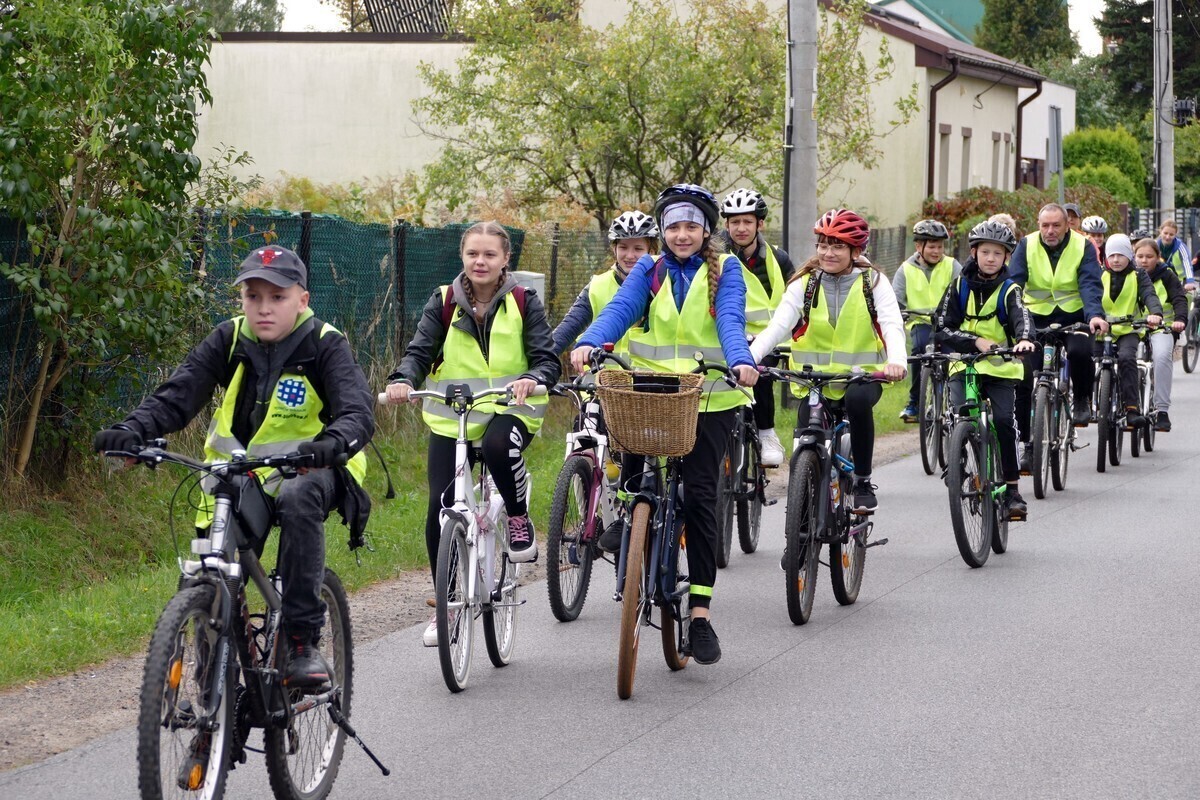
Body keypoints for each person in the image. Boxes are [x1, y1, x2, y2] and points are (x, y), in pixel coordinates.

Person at [93, 246, 375, 689]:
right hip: (240, 472)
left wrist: (331, 444)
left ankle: (302, 642)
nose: (264, 308)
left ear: (302, 299)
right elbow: (178, 395)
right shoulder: (228, 338)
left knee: (299, 500)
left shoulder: (324, 343)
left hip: (311, 469)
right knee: (214, 567)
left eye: (277, 297)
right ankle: (213, 690)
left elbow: (357, 412)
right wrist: (132, 431)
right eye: (252, 296)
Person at [570, 183, 758, 666]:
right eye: (673, 226)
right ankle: (635, 522)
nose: (681, 234)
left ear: (706, 231)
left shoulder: (727, 270)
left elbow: (731, 322)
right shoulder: (649, 271)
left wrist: (741, 360)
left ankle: (699, 613)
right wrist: (589, 343)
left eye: (691, 226)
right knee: (634, 470)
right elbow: (618, 311)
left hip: (711, 396)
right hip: (651, 392)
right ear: (662, 231)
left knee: (698, 496)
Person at [386, 221, 560, 647]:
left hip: (509, 408)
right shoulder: (444, 301)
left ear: (505, 260)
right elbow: (420, 351)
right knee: (439, 507)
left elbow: (547, 360)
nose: (480, 262)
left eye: (489, 255)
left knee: (501, 446)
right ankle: (446, 604)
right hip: (454, 415)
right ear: (462, 258)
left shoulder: (523, 300)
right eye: (472, 254)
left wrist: (532, 377)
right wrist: (402, 380)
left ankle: (518, 518)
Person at [749, 208, 907, 513]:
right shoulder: (805, 284)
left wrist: (896, 360)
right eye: (823, 245)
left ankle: (862, 480)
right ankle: (799, 537)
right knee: (804, 449)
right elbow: (778, 327)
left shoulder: (873, 283)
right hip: (815, 378)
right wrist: (749, 359)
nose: (828, 253)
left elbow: (891, 325)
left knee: (859, 403)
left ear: (856, 250)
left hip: (861, 377)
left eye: (838, 246)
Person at [934, 220, 1035, 520]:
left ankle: (1013, 490)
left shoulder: (1010, 289)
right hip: (963, 365)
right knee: (959, 412)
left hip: (1001, 368)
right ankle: (959, 459)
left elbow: (1022, 319)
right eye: (985, 252)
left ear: (1006, 257)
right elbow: (941, 328)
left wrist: (1024, 340)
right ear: (974, 253)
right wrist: (975, 341)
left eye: (998, 253)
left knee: (1003, 421)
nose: (991, 258)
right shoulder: (957, 287)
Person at [1007, 203, 1106, 472]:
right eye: (1045, 225)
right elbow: (1014, 284)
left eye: (1056, 225)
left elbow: (1089, 283)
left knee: (1080, 353)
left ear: (1067, 225)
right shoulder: (1025, 245)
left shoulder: (1083, 246)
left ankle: (1083, 398)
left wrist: (1094, 315)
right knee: (1025, 379)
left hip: (1073, 314)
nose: (1050, 231)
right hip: (1035, 317)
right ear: (1038, 225)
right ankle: (1027, 446)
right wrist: (1009, 319)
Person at [719, 187, 795, 467]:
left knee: (760, 377)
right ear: (726, 224)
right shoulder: (713, 256)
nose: (740, 228)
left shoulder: (779, 259)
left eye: (747, 221)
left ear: (760, 224)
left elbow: (798, 300)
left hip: (767, 339)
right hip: (725, 336)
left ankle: (767, 433)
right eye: (734, 222)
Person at [552, 210, 658, 354]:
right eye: (623, 247)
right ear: (614, 249)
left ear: (651, 251)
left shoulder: (663, 285)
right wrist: (541, 363)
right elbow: (567, 329)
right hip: (600, 374)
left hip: (648, 374)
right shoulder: (597, 286)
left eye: (638, 249)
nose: (630, 255)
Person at [893, 218, 961, 422]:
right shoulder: (905, 269)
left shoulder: (952, 265)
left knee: (954, 356)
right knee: (920, 350)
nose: (937, 251)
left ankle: (956, 400)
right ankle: (914, 402)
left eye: (940, 246)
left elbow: (963, 291)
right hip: (920, 322)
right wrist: (899, 314)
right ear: (918, 246)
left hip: (947, 323)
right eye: (932, 246)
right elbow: (895, 300)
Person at [1095, 233, 1163, 427]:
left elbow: (1149, 295)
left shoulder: (1138, 275)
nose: (1116, 260)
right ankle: (1088, 400)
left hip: (1129, 330)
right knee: (1091, 360)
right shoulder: (1099, 274)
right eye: (1112, 255)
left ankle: (1131, 408)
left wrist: (1155, 313)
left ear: (1129, 256)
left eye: (1121, 255)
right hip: (1102, 330)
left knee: (1126, 359)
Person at [1134, 236, 1188, 432]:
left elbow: (1179, 298)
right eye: (1139, 256)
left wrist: (1180, 320)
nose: (1144, 260)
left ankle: (1162, 410)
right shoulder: (1127, 274)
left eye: (1149, 256)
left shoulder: (1167, 275)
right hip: (1133, 328)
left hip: (1162, 327)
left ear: (1158, 257)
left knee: (1162, 356)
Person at [1157, 219, 1195, 289]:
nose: (1167, 237)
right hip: (1160, 279)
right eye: (1165, 233)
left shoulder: (1180, 247)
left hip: (1178, 281)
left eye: (1171, 234)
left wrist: (1190, 281)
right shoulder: (1155, 245)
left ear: (1175, 234)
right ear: (1160, 231)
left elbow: (1187, 265)